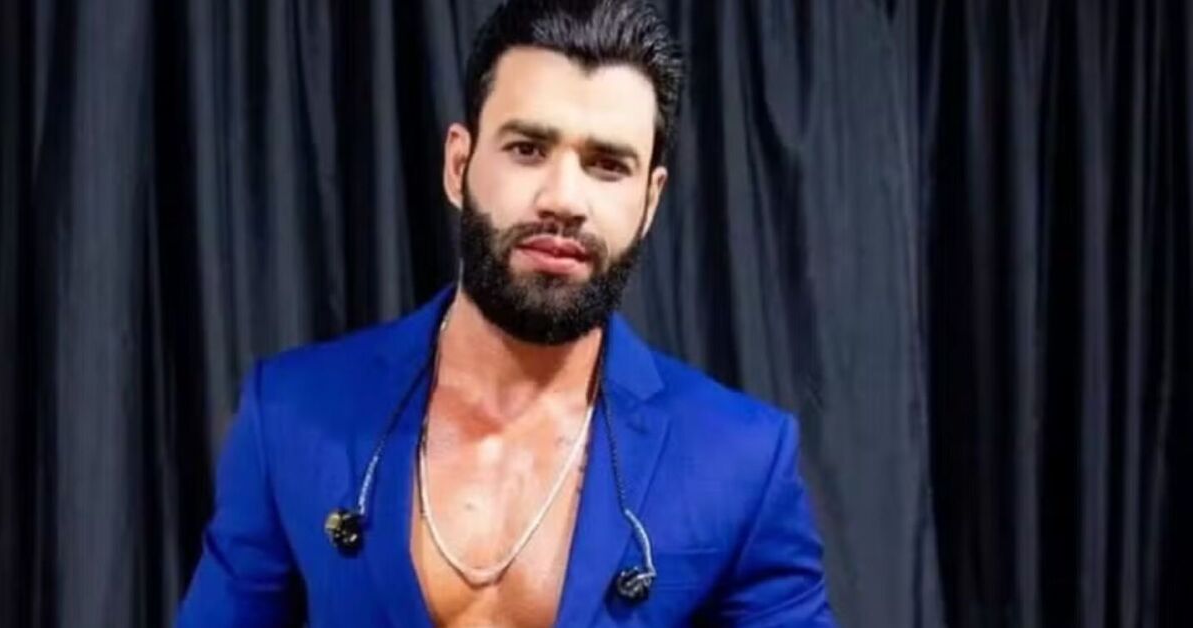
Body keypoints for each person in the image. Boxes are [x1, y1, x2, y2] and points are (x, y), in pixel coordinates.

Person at [177, 0, 834, 625]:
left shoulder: (739, 460)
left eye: (607, 165)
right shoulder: (291, 414)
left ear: (650, 201)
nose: (564, 198)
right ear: (458, 164)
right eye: (527, 149)